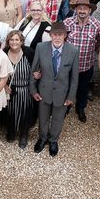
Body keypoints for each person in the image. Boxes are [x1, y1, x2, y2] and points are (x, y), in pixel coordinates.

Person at [30, 21, 79, 156]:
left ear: (65, 36)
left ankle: (53, 140)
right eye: (54, 34)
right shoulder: (41, 47)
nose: (57, 37)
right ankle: (42, 138)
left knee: (58, 118)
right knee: (43, 117)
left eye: (60, 35)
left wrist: (71, 97)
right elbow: (34, 71)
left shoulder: (73, 51)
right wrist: (33, 90)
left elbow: (74, 78)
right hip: (44, 91)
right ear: (50, 35)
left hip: (62, 93)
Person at [64, 0, 100, 122]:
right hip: (68, 65)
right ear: (75, 9)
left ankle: (80, 108)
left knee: (83, 88)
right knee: (67, 86)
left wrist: (92, 49)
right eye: (79, 8)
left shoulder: (97, 24)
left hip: (86, 65)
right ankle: (66, 106)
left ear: (89, 10)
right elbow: (61, 40)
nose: (82, 11)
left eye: (85, 8)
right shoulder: (67, 23)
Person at [1, 30, 34, 148]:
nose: (14, 42)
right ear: (8, 41)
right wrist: (4, 86)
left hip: (25, 89)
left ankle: (24, 134)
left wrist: (37, 75)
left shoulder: (29, 52)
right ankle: (11, 131)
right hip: (10, 89)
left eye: (17, 40)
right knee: (10, 111)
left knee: (25, 111)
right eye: (11, 40)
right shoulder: (3, 53)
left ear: (21, 41)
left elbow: (36, 67)